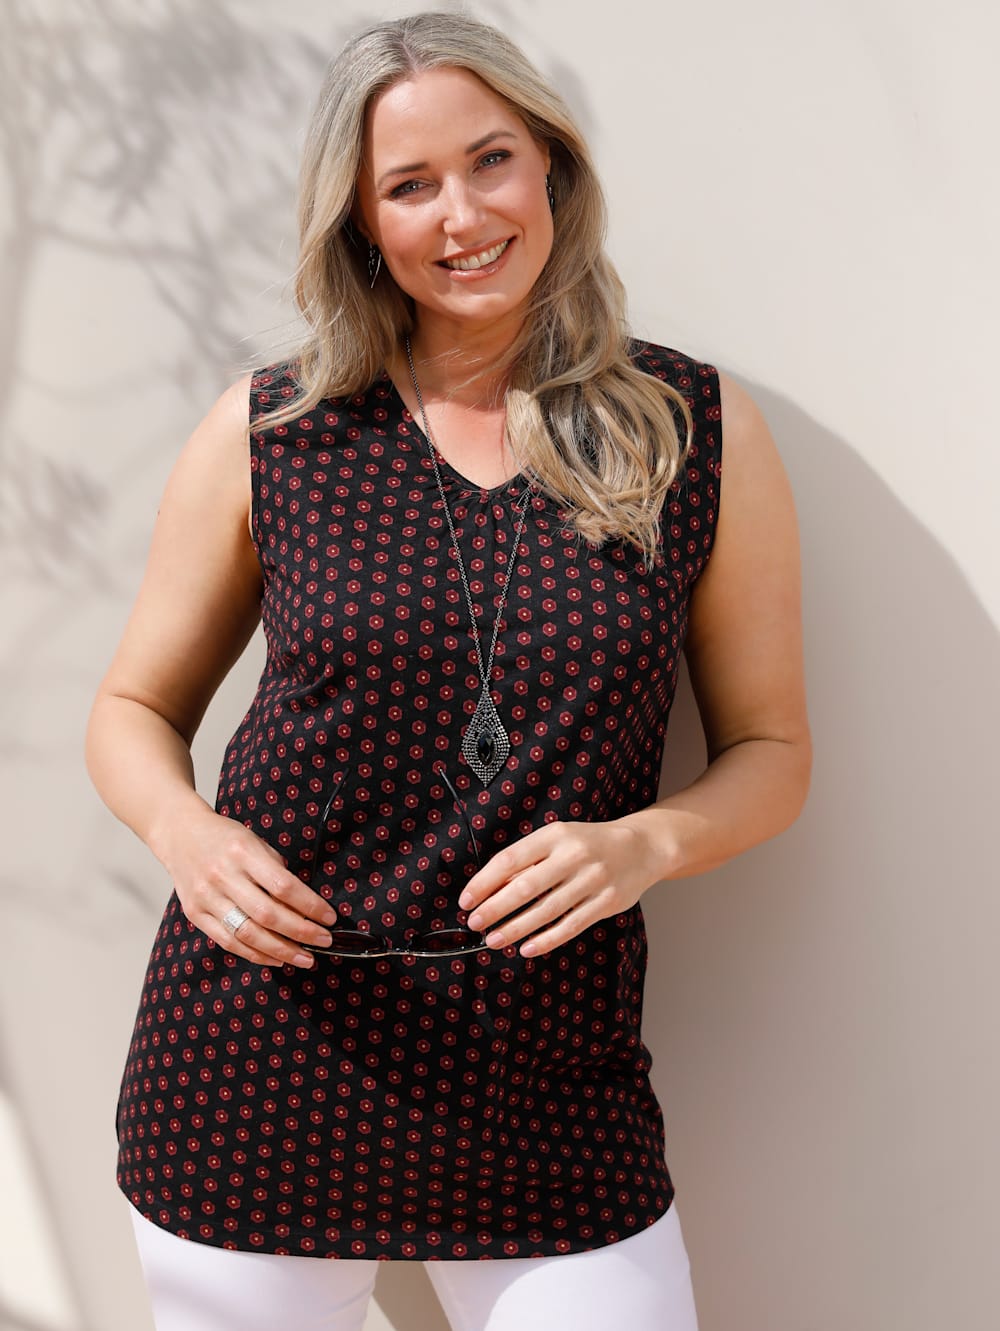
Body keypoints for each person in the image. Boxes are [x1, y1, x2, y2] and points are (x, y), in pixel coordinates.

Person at [85, 11, 811, 1331]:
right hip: (260, 1064)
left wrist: (645, 844)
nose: (463, 216)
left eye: (490, 161)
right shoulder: (273, 431)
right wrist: (186, 836)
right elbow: (133, 707)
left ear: (552, 170)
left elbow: (771, 752)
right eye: (410, 186)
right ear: (362, 225)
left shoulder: (693, 430)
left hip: (551, 1079)